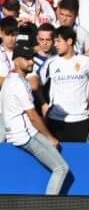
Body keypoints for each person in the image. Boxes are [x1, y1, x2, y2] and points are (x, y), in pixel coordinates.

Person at [4, 46, 69, 195]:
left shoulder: (15, 80)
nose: (31, 62)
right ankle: (47, 208)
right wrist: (49, 137)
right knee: (61, 168)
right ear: (16, 62)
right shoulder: (17, 83)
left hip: (25, 132)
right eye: (26, 59)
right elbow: (32, 116)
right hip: (25, 135)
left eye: (31, 59)